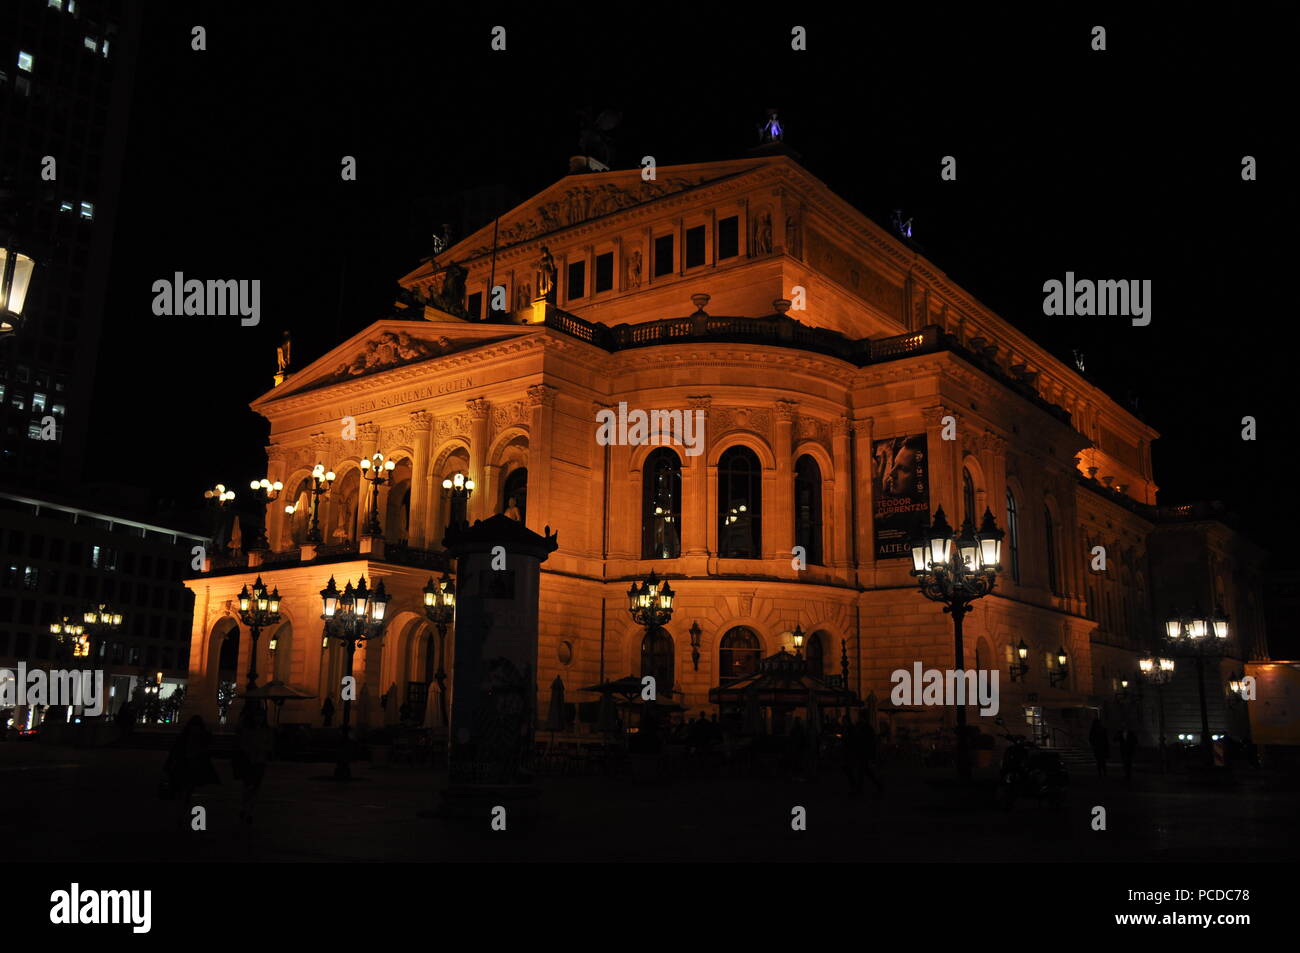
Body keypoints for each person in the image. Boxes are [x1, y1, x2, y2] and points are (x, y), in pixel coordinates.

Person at [164, 715, 220, 830]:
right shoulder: (186, 738)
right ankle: (183, 813)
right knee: (184, 792)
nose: (195, 729)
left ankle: (181, 813)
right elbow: (175, 753)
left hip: (190, 768)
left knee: (186, 792)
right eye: (194, 726)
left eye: (197, 726)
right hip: (184, 767)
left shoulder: (194, 738)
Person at [234, 701, 274, 825]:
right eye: (257, 716)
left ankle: (250, 810)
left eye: (261, 716)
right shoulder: (248, 730)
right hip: (249, 761)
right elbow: (242, 743)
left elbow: (269, 745)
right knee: (247, 787)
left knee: (255, 788)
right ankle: (244, 807)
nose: (259, 719)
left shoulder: (266, 731)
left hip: (259, 762)